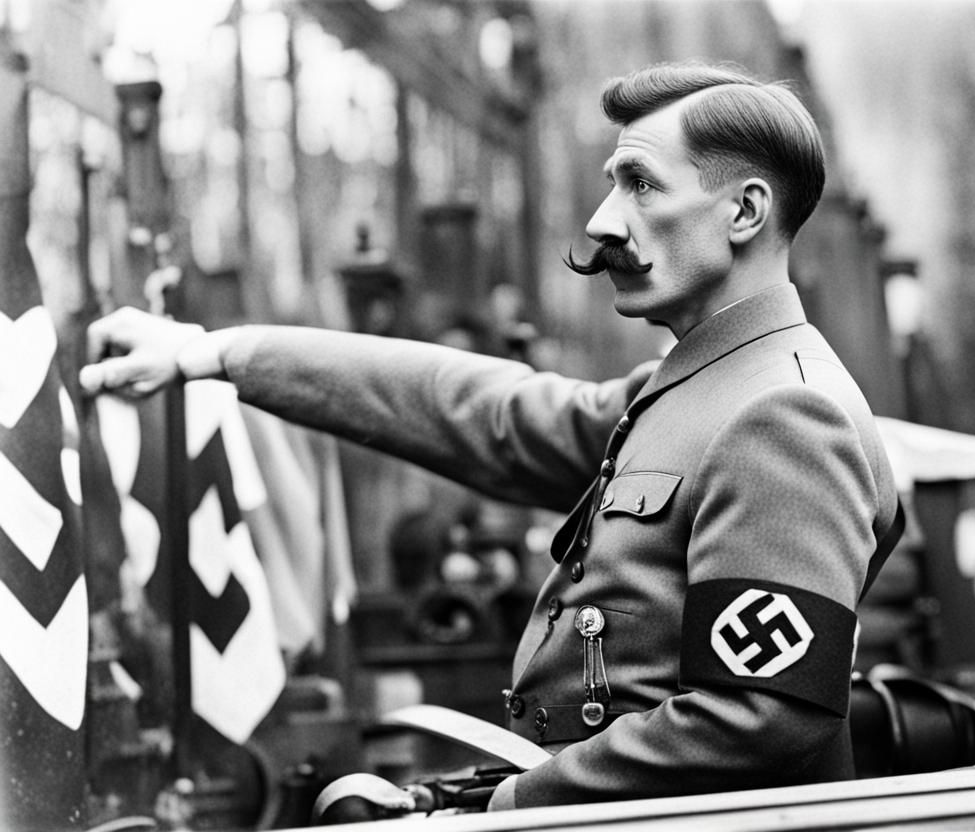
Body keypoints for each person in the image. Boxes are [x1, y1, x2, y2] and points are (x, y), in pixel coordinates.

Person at [79, 62, 902, 810]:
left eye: (641, 185)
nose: (603, 221)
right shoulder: (696, 385)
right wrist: (218, 353)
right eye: (612, 183)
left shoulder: (785, 414)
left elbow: (757, 719)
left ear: (746, 211)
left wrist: (510, 804)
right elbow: (486, 411)